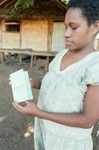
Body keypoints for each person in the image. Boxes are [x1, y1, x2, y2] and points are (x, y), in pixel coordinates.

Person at [13, 0, 99, 149]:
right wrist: (32, 82)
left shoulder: (94, 68)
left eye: (74, 27)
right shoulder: (62, 54)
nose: (66, 33)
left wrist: (39, 113)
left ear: (95, 27)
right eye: (66, 27)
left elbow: (87, 120)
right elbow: (53, 83)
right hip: (46, 132)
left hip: (68, 143)